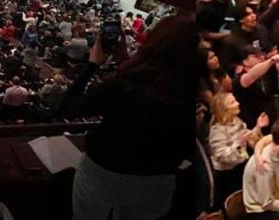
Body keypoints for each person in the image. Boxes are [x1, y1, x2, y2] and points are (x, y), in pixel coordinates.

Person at [70, 15, 193, 220]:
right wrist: (126, 62)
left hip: (104, 170)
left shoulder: (124, 86)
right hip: (159, 178)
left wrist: (92, 64)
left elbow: (71, 107)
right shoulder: (193, 93)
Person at [208, 92, 268, 207]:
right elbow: (221, 156)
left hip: (241, 168)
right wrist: (238, 143)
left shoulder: (237, 121)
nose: (238, 103)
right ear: (224, 109)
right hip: (228, 176)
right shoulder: (217, 131)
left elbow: (248, 138)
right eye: (232, 102)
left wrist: (258, 127)